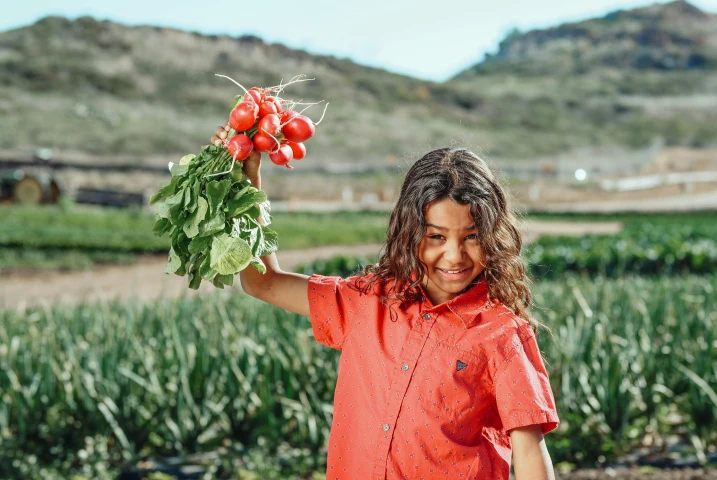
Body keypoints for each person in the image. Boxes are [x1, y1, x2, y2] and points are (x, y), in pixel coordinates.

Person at [211, 125, 559, 480]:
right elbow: (263, 281)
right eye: (436, 236)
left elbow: (529, 451)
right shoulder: (366, 300)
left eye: (472, 237)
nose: (454, 255)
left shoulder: (502, 334)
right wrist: (246, 180)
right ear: (408, 231)